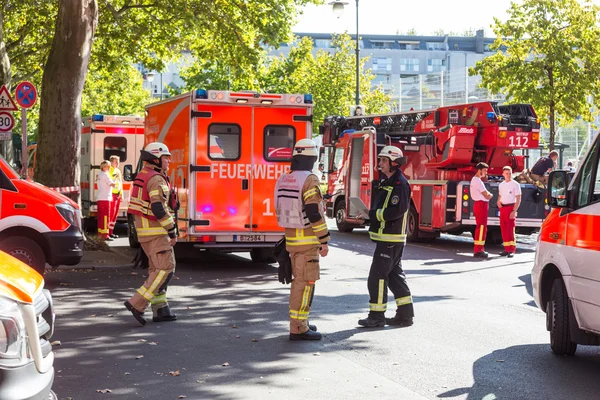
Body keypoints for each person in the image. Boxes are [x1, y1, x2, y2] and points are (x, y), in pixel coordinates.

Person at [274, 138, 330, 341]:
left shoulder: (285, 178)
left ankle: (302, 322)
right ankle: (298, 328)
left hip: (292, 240)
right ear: (312, 158)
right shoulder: (310, 179)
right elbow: (314, 212)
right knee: (305, 283)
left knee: (300, 282)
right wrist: (324, 239)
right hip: (307, 241)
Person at [358, 146, 414, 328]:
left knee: (377, 277)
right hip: (387, 238)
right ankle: (405, 315)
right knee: (395, 277)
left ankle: (376, 316)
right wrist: (369, 216)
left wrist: (373, 215)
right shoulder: (388, 181)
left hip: (390, 239)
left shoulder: (400, 183)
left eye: (383, 160)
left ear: (393, 162)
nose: (379, 163)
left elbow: (397, 211)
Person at [124, 142, 178, 326]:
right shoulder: (156, 179)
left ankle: (161, 309)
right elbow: (158, 208)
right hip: (156, 232)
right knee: (165, 269)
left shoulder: (144, 175)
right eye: (165, 157)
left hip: (145, 232)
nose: (169, 161)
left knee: (156, 269)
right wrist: (172, 230)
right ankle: (137, 304)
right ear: (155, 159)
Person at [497, 166, 521, 258]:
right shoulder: (501, 184)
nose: (508, 175)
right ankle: (506, 249)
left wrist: (514, 210)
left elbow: (518, 198)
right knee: (504, 229)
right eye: (506, 173)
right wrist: (498, 201)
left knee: (510, 229)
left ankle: (511, 250)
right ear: (503, 174)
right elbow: (500, 195)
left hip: (511, 207)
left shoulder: (515, 184)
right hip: (503, 208)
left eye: (510, 173)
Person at [470, 162, 493, 259]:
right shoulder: (478, 181)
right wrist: (490, 195)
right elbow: (487, 195)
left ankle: (479, 249)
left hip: (479, 205)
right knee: (482, 228)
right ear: (479, 170)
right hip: (481, 205)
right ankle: (479, 250)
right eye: (484, 171)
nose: (486, 173)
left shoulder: (475, 180)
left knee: (481, 227)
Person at [96, 160, 115, 241]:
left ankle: (100, 233)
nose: (109, 167)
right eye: (107, 166)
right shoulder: (106, 175)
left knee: (100, 217)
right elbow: (112, 184)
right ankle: (105, 235)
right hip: (105, 198)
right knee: (105, 217)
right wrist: (116, 179)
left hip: (100, 197)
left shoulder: (100, 175)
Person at [108, 155, 123, 239]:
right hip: (112, 194)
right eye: (116, 161)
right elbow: (109, 180)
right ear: (111, 162)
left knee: (115, 214)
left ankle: (111, 231)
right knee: (111, 213)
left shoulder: (118, 170)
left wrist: (121, 194)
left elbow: (120, 183)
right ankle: (108, 232)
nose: (118, 163)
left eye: (118, 161)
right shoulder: (110, 170)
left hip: (117, 194)